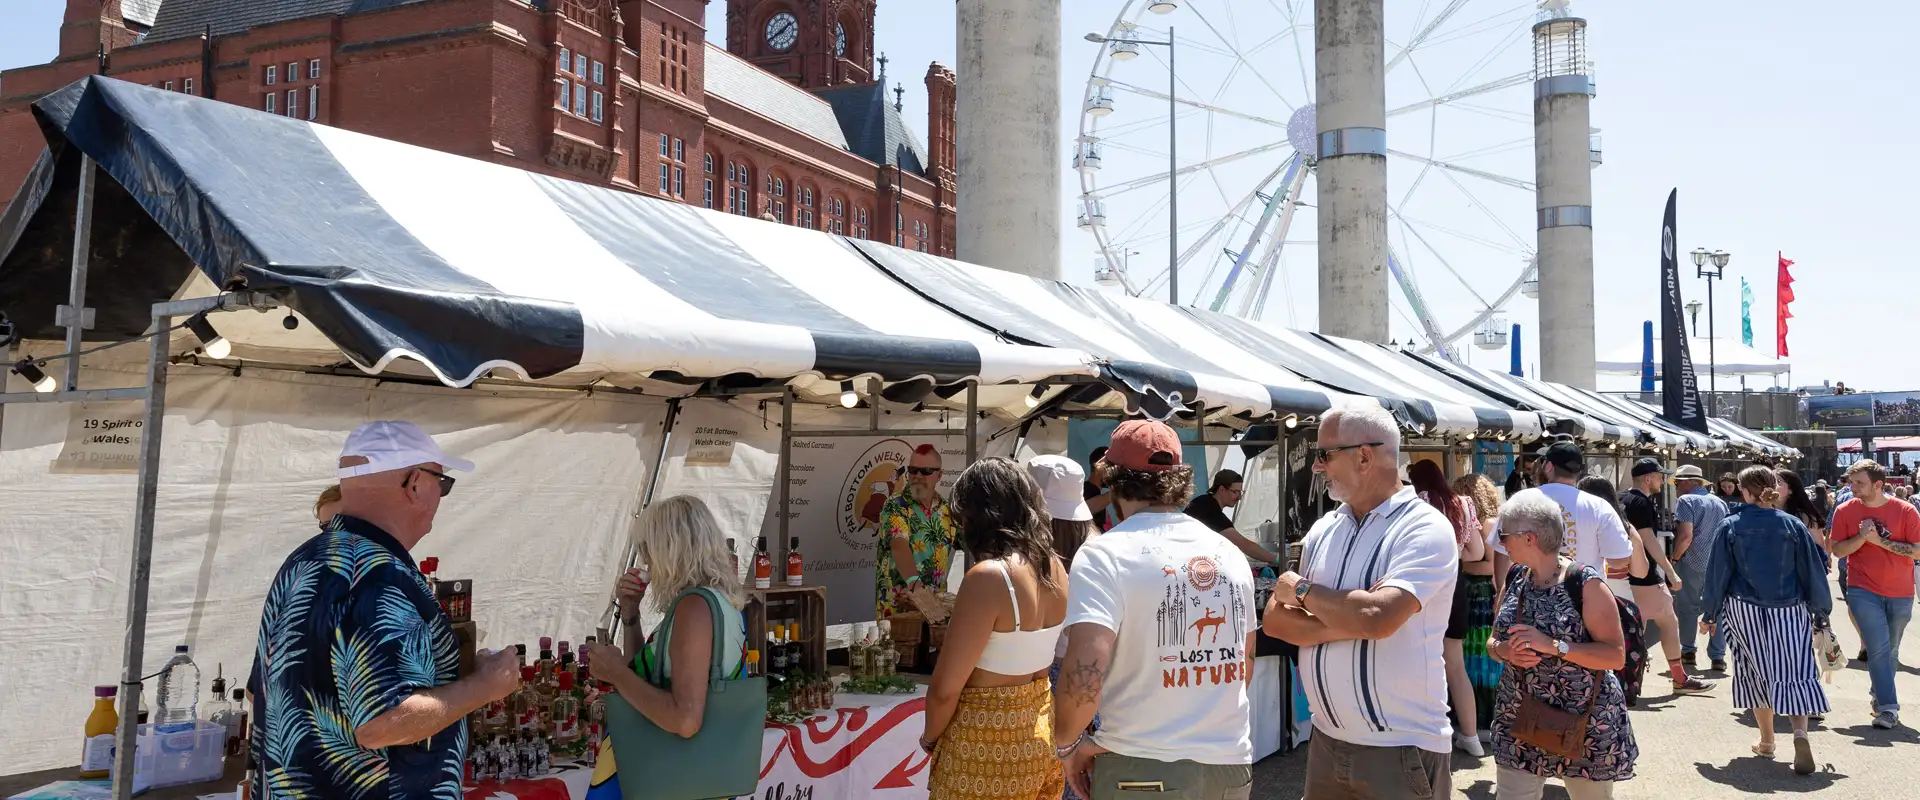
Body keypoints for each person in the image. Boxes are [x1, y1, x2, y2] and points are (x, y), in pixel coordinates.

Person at [248, 421, 514, 799]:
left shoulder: (303, 561)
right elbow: (381, 723)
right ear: (415, 484)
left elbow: (260, 693)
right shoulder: (378, 574)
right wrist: (486, 686)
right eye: (442, 483)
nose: (440, 496)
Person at [1053, 420, 1256, 800]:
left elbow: (1085, 673)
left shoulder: (1104, 553)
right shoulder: (1227, 553)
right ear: (1178, 478)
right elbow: (1243, 664)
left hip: (1141, 766)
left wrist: (1067, 745)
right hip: (1230, 766)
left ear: (1112, 479)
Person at [1264, 404, 1458, 799]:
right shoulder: (1325, 528)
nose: (1317, 467)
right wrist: (1348, 620)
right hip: (1327, 742)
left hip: (1399, 748)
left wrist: (1303, 593)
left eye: (1324, 455)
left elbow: (1376, 616)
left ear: (1365, 456)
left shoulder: (1424, 526)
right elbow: (1275, 622)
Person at [919, 458, 1068, 799]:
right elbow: (1040, 668)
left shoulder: (989, 577)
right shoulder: (1055, 568)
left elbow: (945, 689)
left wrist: (930, 737)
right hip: (1038, 735)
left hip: (983, 746)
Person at [1489, 490, 1637, 799]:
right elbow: (1494, 640)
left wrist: (1554, 645)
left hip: (1583, 724)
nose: (1500, 542)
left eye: (1504, 535)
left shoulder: (1585, 582)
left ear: (1529, 538)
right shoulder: (1516, 575)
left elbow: (1615, 655)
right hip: (1520, 719)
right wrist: (1503, 651)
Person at [1699, 466, 1832, 773]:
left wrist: (1709, 613)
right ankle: (1800, 733)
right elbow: (1811, 571)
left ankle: (1767, 742)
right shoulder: (1792, 525)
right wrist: (1820, 611)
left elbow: (1718, 573)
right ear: (1773, 488)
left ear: (1744, 491)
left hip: (1743, 608)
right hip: (1789, 607)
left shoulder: (1731, 525)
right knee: (1795, 669)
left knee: (1753, 672)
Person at [583, 495, 747, 739]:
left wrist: (614, 671)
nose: (647, 561)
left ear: (670, 551)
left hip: (680, 766)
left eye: (648, 549)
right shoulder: (714, 598)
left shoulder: (695, 607)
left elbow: (685, 720)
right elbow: (646, 676)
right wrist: (630, 612)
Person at [1027, 455, 1102, 800]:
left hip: (1050, 676)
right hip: (1096, 680)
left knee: (1055, 781)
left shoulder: (1037, 560)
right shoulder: (1099, 551)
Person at [1828, 459, 1920, 729]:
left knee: (1890, 650)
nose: (1852, 486)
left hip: (1901, 591)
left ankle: (1878, 695)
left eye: (1859, 483)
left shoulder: (1905, 511)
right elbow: (1838, 551)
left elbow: (1916, 551)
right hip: (1862, 588)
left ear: (1878, 485)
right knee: (1878, 647)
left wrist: (1879, 541)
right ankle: (1889, 708)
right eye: (1851, 481)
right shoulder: (1845, 510)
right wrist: (1861, 539)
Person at [1608, 462, 1712, 694]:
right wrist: (1670, 571)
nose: (1662, 481)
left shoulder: (1619, 498)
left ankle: (1628, 679)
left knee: (1636, 626)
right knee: (1668, 621)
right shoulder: (1642, 502)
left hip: (1621, 572)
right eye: (1659, 477)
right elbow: (1649, 540)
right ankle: (1678, 678)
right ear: (1647, 478)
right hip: (1644, 574)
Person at [1407, 460, 1487, 757]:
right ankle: (1470, 736)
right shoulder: (1463, 503)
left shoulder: (1417, 501)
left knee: (1418, 659)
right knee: (1455, 665)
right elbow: (1477, 552)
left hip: (1422, 588)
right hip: (1456, 587)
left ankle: (1421, 733)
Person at [1491, 441, 1635, 602]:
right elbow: (1619, 560)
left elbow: (1502, 551)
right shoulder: (1598, 506)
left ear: (1549, 467)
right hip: (1583, 600)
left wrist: (1501, 594)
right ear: (1579, 471)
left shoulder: (1521, 499)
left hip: (1530, 599)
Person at [876, 443, 957, 623]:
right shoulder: (895, 505)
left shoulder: (946, 509)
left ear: (939, 475)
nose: (918, 476)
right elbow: (898, 544)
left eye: (926, 471)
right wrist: (915, 585)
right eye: (913, 470)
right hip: (898, 615)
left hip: (936, 613)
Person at [1453, 473, 1506, 741]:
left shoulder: (1489, 523)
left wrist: (1458, 563)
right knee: (1473, 658)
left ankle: (1486, 720)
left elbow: (1490, 566)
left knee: (1479, 658)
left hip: (1482, 595)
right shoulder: (1489, 523)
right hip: (1476, 594)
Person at [1671, 464, 1731, 672]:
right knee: (1718, 609)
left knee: (1687, 609)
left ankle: (1688, 651)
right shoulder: (1720, 503)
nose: (1677, 487)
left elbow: (1686, 536)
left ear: (1689, 482)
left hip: (1692, 562)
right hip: (1719, 564)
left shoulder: (1686, 501)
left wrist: (1674, 559)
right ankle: (1718, 656)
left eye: (1678, 483)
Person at [1184, 469, 1284, 570]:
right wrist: (1278, 559)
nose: (1239, 497)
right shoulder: (1208, 508)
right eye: (1235, 492)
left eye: (1241, 492)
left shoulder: (1204, 502)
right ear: (1222, 489)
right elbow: (1243, 544)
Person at [1776, 469, 1831, 559]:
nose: (1772, 485)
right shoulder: (1763, 512)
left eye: (1778, 481)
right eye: (1770, 480)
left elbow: (1820, 549)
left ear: (1791, 490)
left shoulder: (1804, 516)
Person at [1083, 446, 1114, 531]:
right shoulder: (1086, 491)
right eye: (1111, 468)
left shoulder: (1092, 491)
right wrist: (1117, 490)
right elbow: (1086, 509)